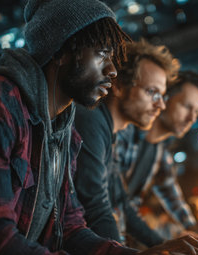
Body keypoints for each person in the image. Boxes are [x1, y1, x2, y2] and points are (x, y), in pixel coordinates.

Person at [0, 0, 198, 254]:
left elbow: (72, 228)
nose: (112, 70)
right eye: (101, 54)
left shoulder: (64, 132)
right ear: (62, 50)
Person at [74, 39, 180, 247]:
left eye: (163, 96)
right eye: (152, 92)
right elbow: (96, 209)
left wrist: (164, 246)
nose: (161, 105)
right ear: (120, 86)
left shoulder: (108, 130)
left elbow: (122, 204)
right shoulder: (92, 121)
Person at [114, 70, 198, 241]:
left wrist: (197, 233)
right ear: (165, 98)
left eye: (196, 112)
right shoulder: (125, 131)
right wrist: (161, 245)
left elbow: (172, 195)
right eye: (187, 106)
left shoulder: (159, 151)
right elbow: (118, 203)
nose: (191, 118)